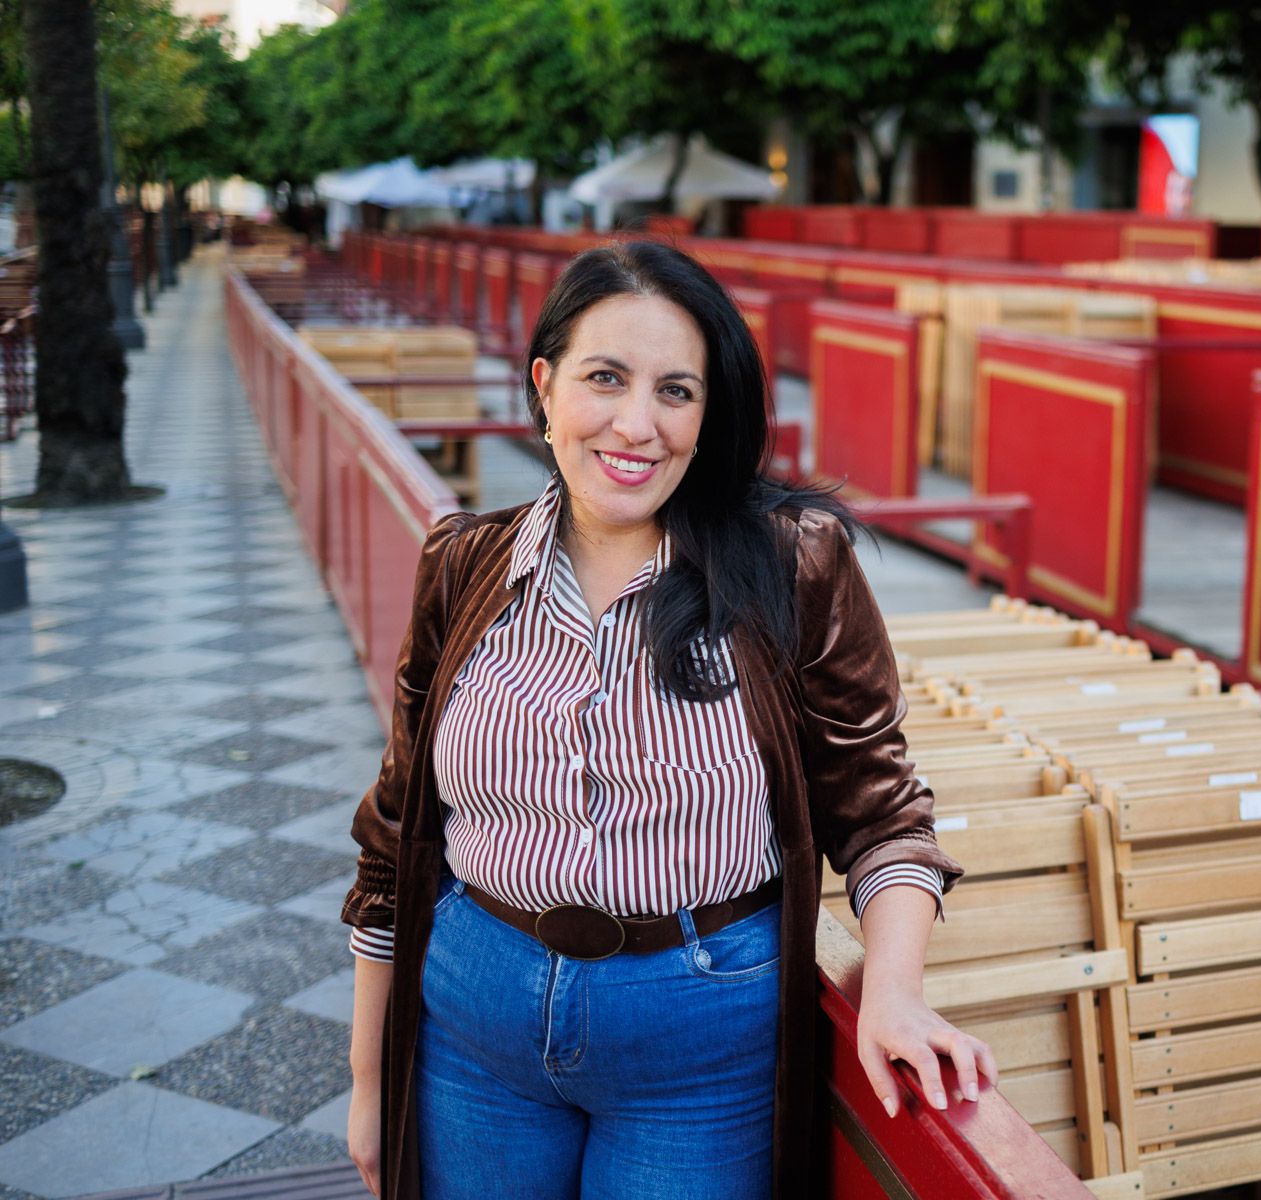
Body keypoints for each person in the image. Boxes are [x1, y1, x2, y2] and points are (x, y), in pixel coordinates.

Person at [341, 239, 996, 1200]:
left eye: (676, 391)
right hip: (473, 1011)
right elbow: (394, 831)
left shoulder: (791, 564)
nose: (636, 425)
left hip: (700, 1034)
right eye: (604, 378)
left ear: (708, 411)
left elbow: (883, 814)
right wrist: (368, 1082)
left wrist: (892, 990)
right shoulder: (463, 566)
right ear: (545, 385)